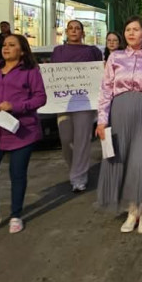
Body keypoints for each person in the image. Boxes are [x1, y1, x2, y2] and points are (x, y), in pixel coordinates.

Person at [96, 16, 142, 234]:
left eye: (136, 29)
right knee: (123, 161)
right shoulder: (115, 57)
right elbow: (105, 90)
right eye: (128, 29)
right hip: (119, 113)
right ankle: (131, 209)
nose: (131, 33)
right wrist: (102, 119)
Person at [0, 34, 47, 235]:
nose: (6, 48)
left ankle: (16, 215)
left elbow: (40, 98)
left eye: (12, 45)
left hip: (21, 131)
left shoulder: (30, 71)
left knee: (17, 174)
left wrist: (16, 106)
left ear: (21, 51)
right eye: (5, 45)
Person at [52, 20, 104, 192]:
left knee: (82, 140)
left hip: (85, 102)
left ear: (83, 33)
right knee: (66, 140)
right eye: (71, 28)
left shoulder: (92, 51)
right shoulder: (58, 51)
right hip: (63, 102)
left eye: (77, 29)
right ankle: (75, 168)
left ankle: (79, 177)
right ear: (66, 32)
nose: (74, 31)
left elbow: (99, 74)